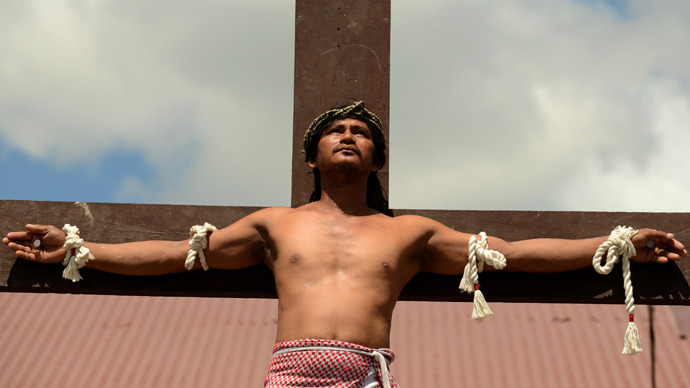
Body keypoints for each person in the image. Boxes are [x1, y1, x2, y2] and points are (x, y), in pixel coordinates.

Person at [3, 101, 687, 388]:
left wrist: (612, 242)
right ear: (312, 157)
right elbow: (177, 254)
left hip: (364, 373)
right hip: (291, 372)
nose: (350, 136)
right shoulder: (275, 224)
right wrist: (75, 248)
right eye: (338, 131)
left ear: (376, 159)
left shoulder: (409, 234)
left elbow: (512, 253)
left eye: (363, 132)